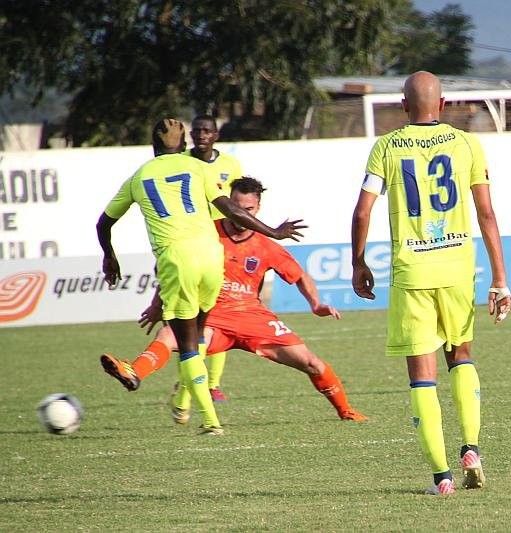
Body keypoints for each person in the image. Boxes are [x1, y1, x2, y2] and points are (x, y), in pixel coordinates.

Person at [350, 71, 511, 495]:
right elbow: (487, 213)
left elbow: (363, 212)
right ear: (442, 104)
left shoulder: (386, 147)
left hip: (413, 273)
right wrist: (500, 277)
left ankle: (441, 477)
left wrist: (358, 262)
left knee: (422, 378)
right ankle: (471, 448)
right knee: (461, 357)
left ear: (403, 105)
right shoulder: (467, 144)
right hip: (457, 270)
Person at [97, 118, 305, 435]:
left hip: (177, 259)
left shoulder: (139, 176)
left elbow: (103, 224)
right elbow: (232, 209)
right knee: (200, 335)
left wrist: (109, 256)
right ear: (184, 145)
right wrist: (274, 232)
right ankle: (181, 400)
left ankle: (209, 420)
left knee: (187, 344)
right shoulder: (198, 168)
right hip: (211, 257)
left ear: (153, 144)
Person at [101, 177, 367, 422]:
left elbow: (300, 276)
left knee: (312, 363)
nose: (241, 214)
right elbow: (178, 266)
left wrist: (315, 304)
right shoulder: (206, 233)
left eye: (249, 209)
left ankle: (346, 411)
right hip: (212, 317)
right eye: (236, 207)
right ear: (228, 203)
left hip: (253, 318)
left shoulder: (266, 245)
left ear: (258, 208)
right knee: (169, 334)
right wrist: (157, 304)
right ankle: (134, 372)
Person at [183, 114, 243, 402]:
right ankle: (190, 378)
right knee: (187, 314)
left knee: (218, 313)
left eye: (207, 131)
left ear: (216, 135)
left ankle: (212, 383)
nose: (201, 135)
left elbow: (238, 203)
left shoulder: (230, 165)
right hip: (188, 240)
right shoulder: (181, 162)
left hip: (221, 243)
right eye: (197, 130)